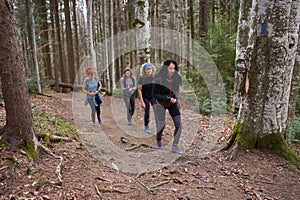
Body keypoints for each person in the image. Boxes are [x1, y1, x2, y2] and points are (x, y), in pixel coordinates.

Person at [153, 59, 183, 154]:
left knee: (179, 124)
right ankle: (159, 140)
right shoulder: (159, 79)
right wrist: (167, 98)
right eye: (170, 68)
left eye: (174, 69)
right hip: (160, 103)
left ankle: (175, 146)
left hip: (172, 103)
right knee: (162, 124)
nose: (172, 71)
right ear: (166, 68)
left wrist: (175, 98)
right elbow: (154, 94)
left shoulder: (176, 78)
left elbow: (176, 91)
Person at [138, 63, 156, 133]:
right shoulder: (142, 78)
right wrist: (142, 102)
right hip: (145, 96)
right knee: (147, 111)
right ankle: (146, 126)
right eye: (147, 69)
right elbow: (139, 90)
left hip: (152, 96)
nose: (148, 71)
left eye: (149, 69)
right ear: (144, 70)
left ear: (152, 70)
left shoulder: (154, 77)